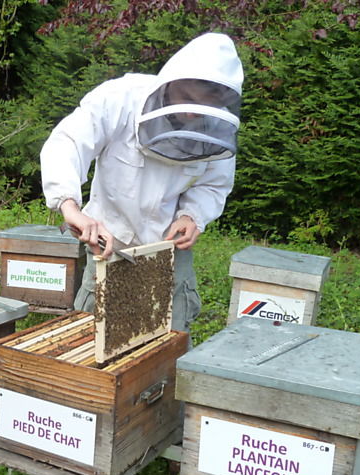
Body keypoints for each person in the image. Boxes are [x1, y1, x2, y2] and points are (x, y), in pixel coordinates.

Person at [41, 32, 243, 333]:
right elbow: (67, 142)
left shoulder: (216, 125)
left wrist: (192, 216)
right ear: (171, 81)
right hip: (108, 240)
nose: (190, 111)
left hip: (168, 247)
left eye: (203, 102)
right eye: (186, 97)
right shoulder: (121, 97)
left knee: (168, 341)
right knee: (91, 335)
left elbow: (214, 184)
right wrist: (69, 206)